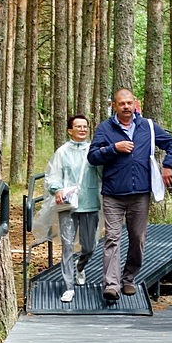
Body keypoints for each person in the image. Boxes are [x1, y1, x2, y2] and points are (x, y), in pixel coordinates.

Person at [88, 89, 172, 304]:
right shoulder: (105, 128)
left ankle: (129, 278)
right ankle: (111, 285)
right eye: (121, 103)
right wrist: (114, 148)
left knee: (137, 238)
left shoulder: (147, 126)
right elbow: (92, 157)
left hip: (140, 193)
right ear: (114, 105)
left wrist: (168, 166)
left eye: (129, 102)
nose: (126, 106)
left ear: (135, 103)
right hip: (113, 193)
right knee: (112, 238)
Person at [43, 114, 102, 302]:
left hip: (90, 202)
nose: (82, 129)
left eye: (85, 126)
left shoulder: (94, 151)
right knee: (67, 246)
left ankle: (80, 266)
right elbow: (53, 175)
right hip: (68, 205)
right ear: (70, 130)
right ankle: (68, 287)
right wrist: (57, 189)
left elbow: (103, 173)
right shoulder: (62, 152)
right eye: (78, 126)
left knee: (89, 246)